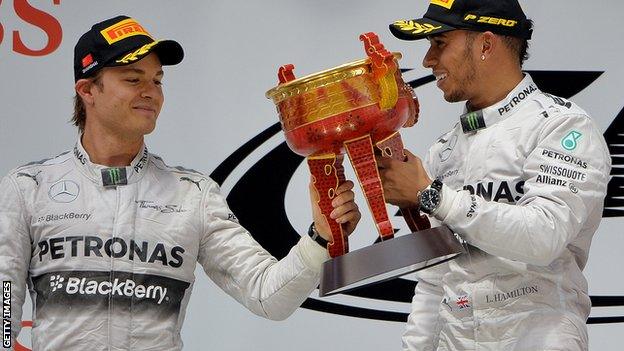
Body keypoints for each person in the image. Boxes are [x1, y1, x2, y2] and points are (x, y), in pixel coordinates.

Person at [0, 15, 360, 350]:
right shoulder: (29, 188)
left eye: (156, 81)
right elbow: (3, 317)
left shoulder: (193, 194)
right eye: (133, 79)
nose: (150, 92)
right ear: (88, 90)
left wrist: (320, 238)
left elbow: (269, 297)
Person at [379, 1, 612, 350]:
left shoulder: (561, 126)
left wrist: (432, 196)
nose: (427, 60)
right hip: (454, 338)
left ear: (486, 45)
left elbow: (542, 237)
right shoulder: (443, 149)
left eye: (439, 43)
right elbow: (434, 281)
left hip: (537, 333)